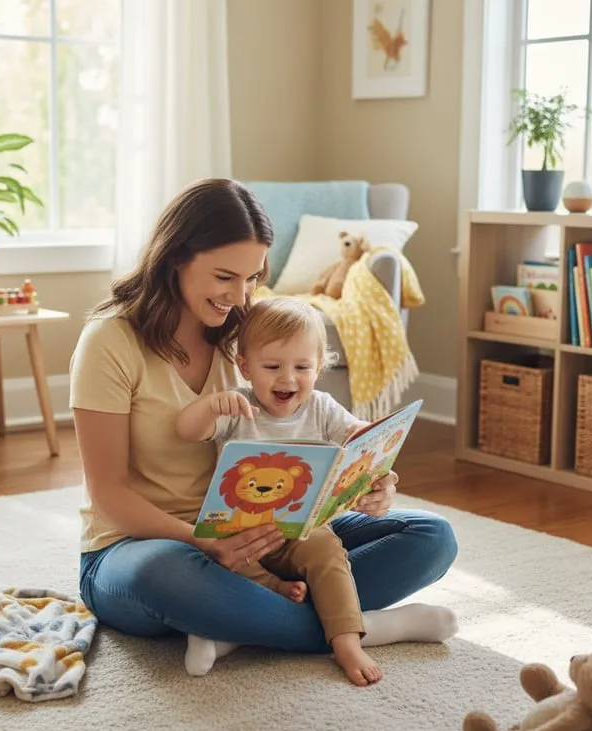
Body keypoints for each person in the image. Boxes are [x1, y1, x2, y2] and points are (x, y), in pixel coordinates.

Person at [70, 177, 459, 686]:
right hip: (141, 547)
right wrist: (205, 544)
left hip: (262, 532)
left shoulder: (247, 334)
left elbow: (299, 438)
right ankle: (362, 626)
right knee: (166, 577)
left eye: (253, 277)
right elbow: (109, 496)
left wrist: (369, 481)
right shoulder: (110, 341)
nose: (240, 296)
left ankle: (253, 621)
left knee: (432, 537)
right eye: (225, 277)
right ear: (175, 258)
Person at [176, 296, 455, 685]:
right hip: (241, 537)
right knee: (206, 557)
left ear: (320, 367)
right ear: (244, 366)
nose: (287, 379)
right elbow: (185, 430)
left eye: (302, 367)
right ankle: (335, 615)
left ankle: (344, 641)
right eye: (272, 367)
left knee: (328, 550)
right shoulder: (239, 408)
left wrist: (377, 466)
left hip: (304, 533)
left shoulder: (322, 408)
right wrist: (209, 407)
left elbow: (361, 435)